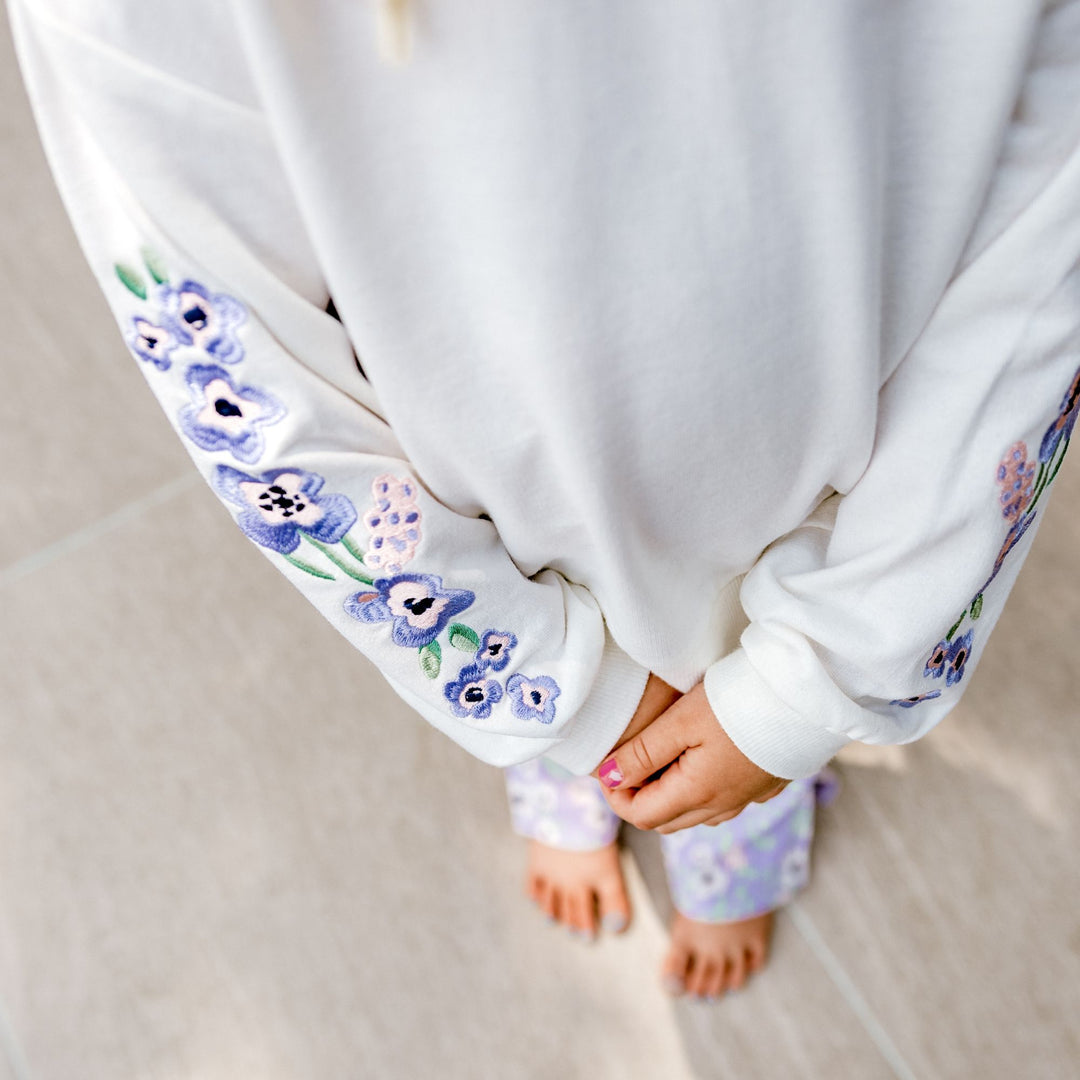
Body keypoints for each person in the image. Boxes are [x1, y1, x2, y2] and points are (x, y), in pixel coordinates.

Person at [10, 0, 1079, 1000]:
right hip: (504, 513)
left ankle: (716, 802)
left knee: (757, 714)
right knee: (571, 696)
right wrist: (546, 685)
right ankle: (581, 754)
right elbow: (239, 362)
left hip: (830, 447)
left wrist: (839, 658)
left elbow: (1051, 205)